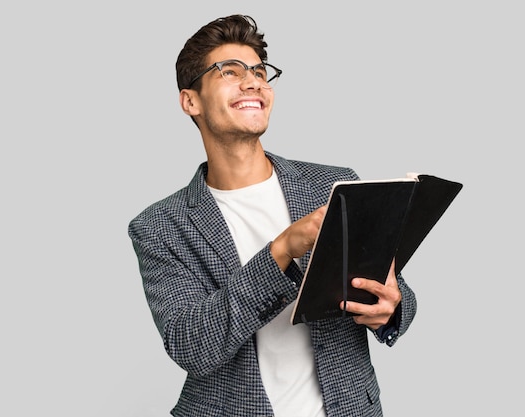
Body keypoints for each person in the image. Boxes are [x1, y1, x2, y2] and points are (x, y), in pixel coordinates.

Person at [128, 14, 417, 417]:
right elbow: (192, 345)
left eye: (260, 72)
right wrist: (281, 249)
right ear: (190, 101)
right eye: (229, 71)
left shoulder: (333, 184)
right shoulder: (160, 227)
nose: (253, 82)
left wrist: (393, 307)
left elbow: (393, 286)